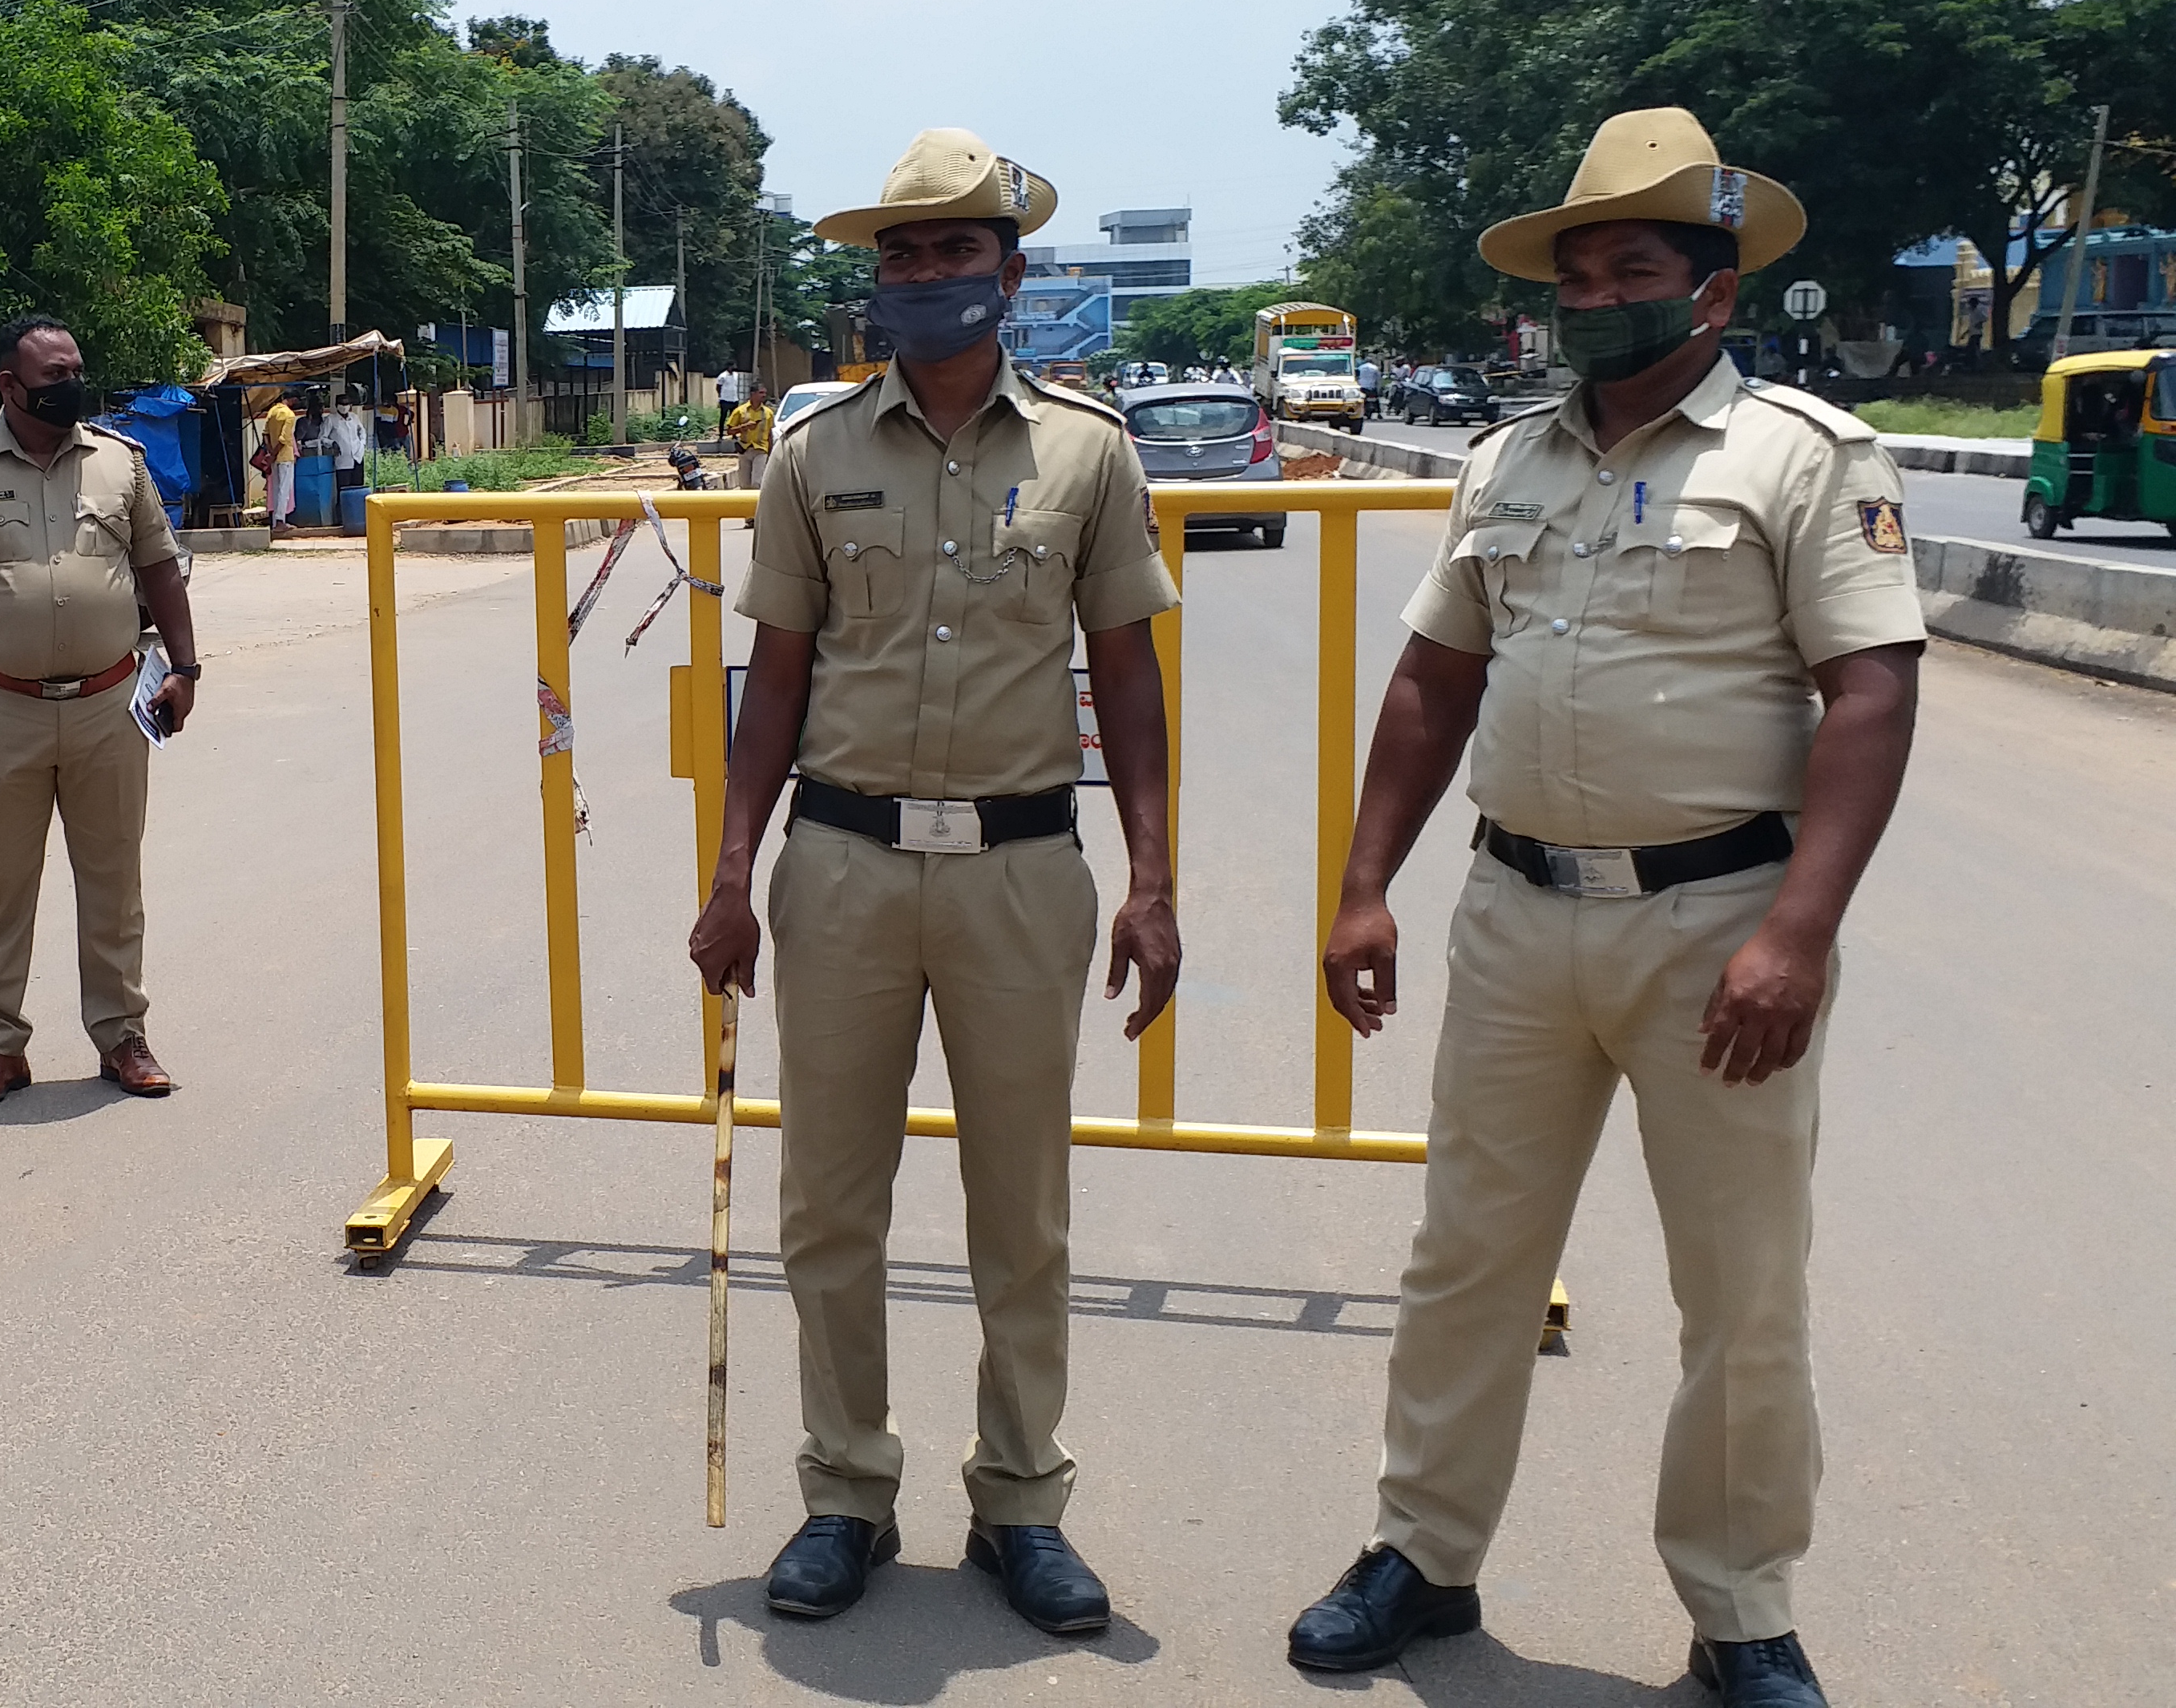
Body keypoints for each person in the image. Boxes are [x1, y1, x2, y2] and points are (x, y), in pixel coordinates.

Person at [1283, 111, 1923, 1708]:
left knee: (1742, 1285)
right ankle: (1421, 1556)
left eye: (1631, 266)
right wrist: (1364, 889)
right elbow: (1435, 684)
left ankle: (1740, 1605)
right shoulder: (1508, 460)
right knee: (1467, 1259)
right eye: (1577, 273)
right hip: (1517, 916)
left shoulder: (1803, 455)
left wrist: (1799, 933)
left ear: (1713, 291)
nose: (1594, 297)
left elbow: (1871, 695)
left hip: (1720, 932)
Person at [687, 128, 1181, 1633]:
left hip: (1021, 871)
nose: (920, 277)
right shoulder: (810, 451)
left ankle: (1020, 1502)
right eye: (898, 255)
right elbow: (768, 684)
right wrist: (729, 871)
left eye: (950, 251)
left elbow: (1127, 674)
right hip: (837, 865)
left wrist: (1153, 876)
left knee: (1018, 1211)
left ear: (1006, 273)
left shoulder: (1089, 450)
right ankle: (844, 1489)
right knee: (827, 1204)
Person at [0, 316, 200, 1110]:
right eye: (54, 372)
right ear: (10, 385)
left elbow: (161, 570)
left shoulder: (119, 463)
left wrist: (187, 668)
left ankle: (122, 1036)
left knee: (114, 880)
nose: (72, 381)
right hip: (0, 708)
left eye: (76, 366)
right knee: (1, 885)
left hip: (110, 702)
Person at [256, 388, 299, 531]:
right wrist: (274, 454)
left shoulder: (272, 412)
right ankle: (280, 521)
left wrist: (270, 452)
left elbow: (266, 434)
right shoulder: (289, 415)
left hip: (274, 458)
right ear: (292, 399)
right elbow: (284, 439)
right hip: (285, 456)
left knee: (275, 489)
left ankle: (275, 522)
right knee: (284, 490)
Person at [725, 381, 777, 490]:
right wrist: (744, 427)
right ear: (753, 394)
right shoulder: (740, 411)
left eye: (764, 393)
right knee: (744, 484)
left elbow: (770, 434)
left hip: (761, 450)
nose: (764, 395)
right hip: (744, 450)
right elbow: (729, 431)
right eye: (761, 393)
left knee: (757, 483)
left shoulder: (768, 413)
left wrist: (771, 453)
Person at [325, 389, 371, 504]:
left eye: (346, 404)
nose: (344, 406)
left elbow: (362, 431)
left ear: (350, 405)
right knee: (344, 488)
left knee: (358, 486)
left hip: (357, 456)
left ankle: (358, 511)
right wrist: (333, 443)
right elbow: (323, 438)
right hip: (342, 460)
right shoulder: (331, 419)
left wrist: (362, 443)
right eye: (341, 404)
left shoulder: (354, 417)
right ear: (336, 405)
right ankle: (344, 514)